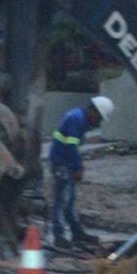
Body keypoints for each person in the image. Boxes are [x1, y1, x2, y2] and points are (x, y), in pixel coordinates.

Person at [49, 95, 115, 248]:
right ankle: (59, 236)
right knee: (61, 201)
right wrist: (77, 167)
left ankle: (76, 232)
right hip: (62, 163)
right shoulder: (76, 119)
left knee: (69, 200)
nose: (98, 123)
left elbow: (72, 146)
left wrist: (77, 166)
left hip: (64, 162)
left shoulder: (77, 117)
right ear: (93, 111)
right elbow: (71, 146)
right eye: (99, 118)